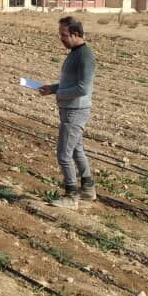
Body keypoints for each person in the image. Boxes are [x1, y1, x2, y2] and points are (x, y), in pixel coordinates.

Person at [38, 16, 96, 208]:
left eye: (64, 35)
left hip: (75, 110)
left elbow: (82, 88)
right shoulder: (75, 53)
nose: (60, 38)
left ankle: (71, 196)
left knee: (64, 154)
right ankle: (88, 189)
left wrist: (61, 94)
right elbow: (70, 83)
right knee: (77, 149)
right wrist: (53, 88)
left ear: (76, 34)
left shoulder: (85, 57)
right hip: (71, 109)